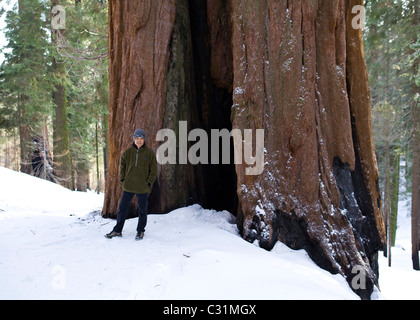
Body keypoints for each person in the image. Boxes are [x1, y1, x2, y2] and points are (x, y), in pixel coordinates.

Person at [105, 128, 157, 240]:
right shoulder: (127, 153)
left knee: (142, 210)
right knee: (122, 209)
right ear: (134, 139)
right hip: (128, 186)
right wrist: (123, 179)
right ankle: (117, 230)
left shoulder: (149, 153)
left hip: (142, 187)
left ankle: (140, 231)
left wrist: (148, 182)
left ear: (144, 140)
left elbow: (153, 170)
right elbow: (122, 167)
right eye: (137, 138)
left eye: (141, 138)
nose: (139, 140)